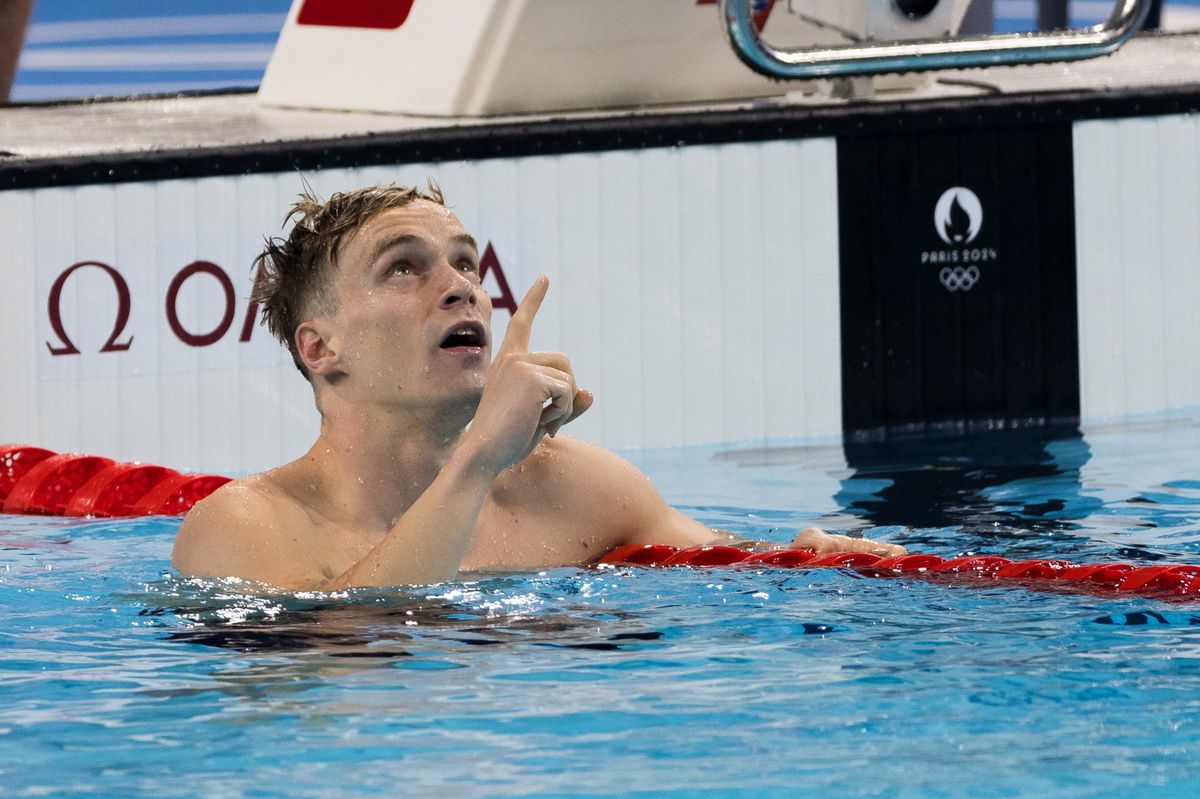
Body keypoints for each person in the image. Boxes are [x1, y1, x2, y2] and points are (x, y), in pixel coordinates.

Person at [172, 184, 905, 591]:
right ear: (319, 346)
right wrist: (478, 458)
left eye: (466, 263)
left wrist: (804, 558)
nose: (460, 286)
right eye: (405, 266)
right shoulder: (241, 526)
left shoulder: (577, 487)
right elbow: (350, 666)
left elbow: (730, 569)